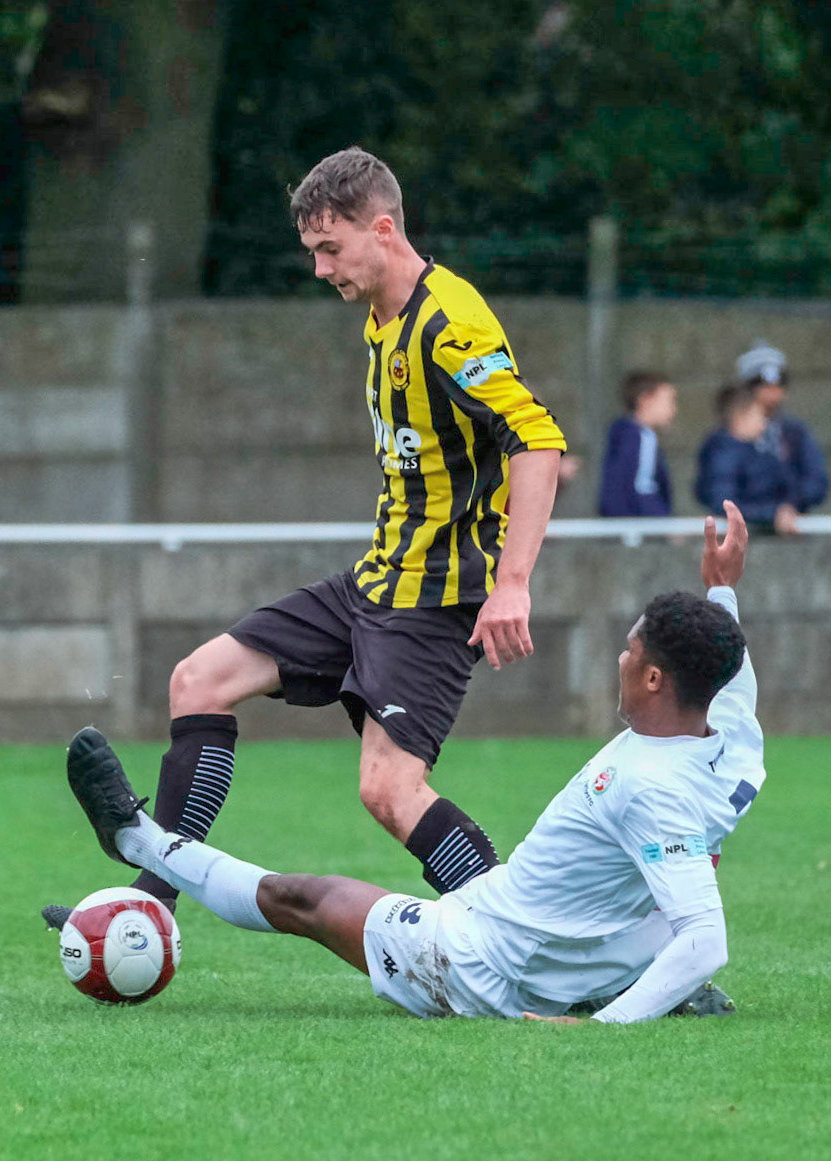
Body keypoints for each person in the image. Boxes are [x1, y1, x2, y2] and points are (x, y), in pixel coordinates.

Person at [42, 148, 567, 929]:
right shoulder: (381, 316)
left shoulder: (451, 323)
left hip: (433, 597)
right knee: (199, 681)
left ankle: (534, 942)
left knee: (389, 791)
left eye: (331, 250)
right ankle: (148, 908)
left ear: (382, 230)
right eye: (313, 253)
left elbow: (538, 440)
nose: (321, 270)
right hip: (375, 581)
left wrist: (513, 581)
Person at [60, 502, 764, 1022]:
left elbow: (704, 939)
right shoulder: (731, 737)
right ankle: (620, 980)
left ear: (652, 681)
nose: (620, 655)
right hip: (549, 947)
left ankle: (135, 838)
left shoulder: (648, 785)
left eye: (630, 650)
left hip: (475, 963)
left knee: (304, 898)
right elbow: (732, 675)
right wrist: (721, 589)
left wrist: (600, 1030)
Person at [737, 340, 829, 513]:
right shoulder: (729, 435)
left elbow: (817, 481)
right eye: (763, 384)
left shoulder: (795, 432)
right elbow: (720, 491)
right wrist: (770, 513)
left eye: (779, 384)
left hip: (791, 526)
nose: (773, 393)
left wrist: (791, 505)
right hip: (746, 527)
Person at [695, 385, 800, 534]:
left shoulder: (758, 451)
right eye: (757, 416)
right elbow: (724, 503)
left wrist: (787, 508)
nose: (763, 425)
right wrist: (772, 514)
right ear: (740, 417)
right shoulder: (722, 455)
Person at [597, 371, 676, 517]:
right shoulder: (644, 437)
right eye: (669, 401)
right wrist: (664, 524)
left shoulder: (622, 434)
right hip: (636, 528)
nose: (673, 409)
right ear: (644, 400)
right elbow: (643, 488)